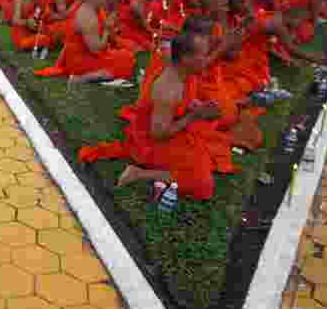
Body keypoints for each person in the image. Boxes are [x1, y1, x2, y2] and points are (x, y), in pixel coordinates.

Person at [79, 29, 235, 200]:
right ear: (186, 58)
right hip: (151, 141)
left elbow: (184, 102)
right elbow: (157, 134)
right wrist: (194, 116)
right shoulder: (169, 88)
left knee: (211, 144)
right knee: (202, 184)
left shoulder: (183, 71)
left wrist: (201, 109)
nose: (206, 60)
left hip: (172, 125)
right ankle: (138, 173)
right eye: (203, 55)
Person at [35, 0, 136, 85]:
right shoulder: (87, 16)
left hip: (82, 54)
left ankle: (98, 73)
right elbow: (96, 49)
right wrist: (107, 29)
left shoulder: (94, 8)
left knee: (127, 56)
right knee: (121, 66)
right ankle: (82, 78)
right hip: (80, 60)